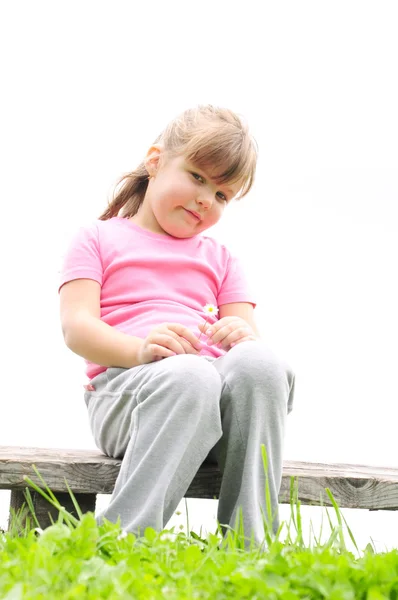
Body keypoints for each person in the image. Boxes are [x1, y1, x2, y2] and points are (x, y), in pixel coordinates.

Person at [59, 104, 295, 547]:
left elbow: (247, 342)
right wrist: (139, 349)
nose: (207, 199)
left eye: (222, 195)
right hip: (127, 394)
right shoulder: (98, 238)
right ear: (155, 162)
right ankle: (123, 542)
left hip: (213, 406)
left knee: (261, 364)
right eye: (197, 177)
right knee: (191, 376)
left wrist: (240, 336)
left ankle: (249, 546)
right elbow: (77, 327)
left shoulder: (221, 260)